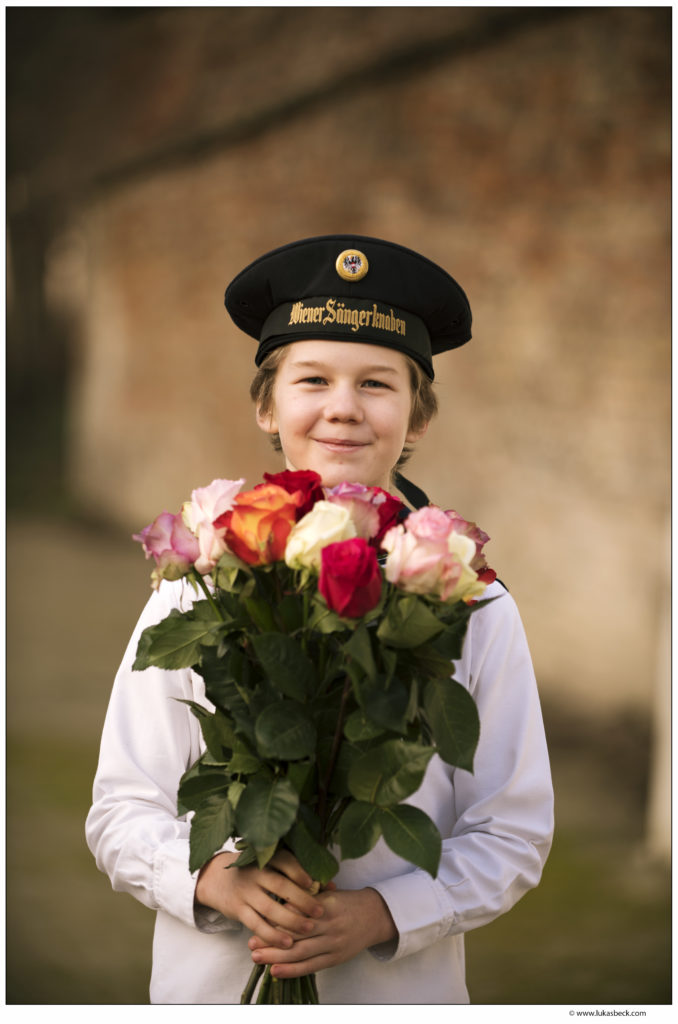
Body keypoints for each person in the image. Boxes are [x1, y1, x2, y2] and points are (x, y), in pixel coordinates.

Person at [86, 234, 554, 1004]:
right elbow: (122, 807)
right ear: (267, 406)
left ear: (418, 416)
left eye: (377, 383)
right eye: (313, 379)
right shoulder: (198, 584)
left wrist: (386, 913)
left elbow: (513, 832)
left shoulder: (472, 600)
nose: (343, 407)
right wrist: (207, 878)